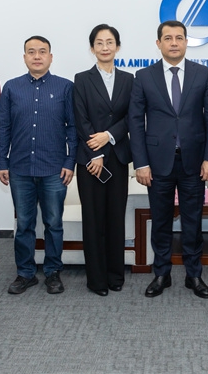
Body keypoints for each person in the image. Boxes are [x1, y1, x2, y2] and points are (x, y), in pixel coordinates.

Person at [128, 20, 208, 299]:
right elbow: (135, 122)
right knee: (160, 221)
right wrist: (141, 163)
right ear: (158, 43)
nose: (174, 43)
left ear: (186, 42)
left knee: (193, 221)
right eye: (168, 38)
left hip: (194, 162)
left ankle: (194, 275)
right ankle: (162, 274)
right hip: (157, 163)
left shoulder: (203, 74)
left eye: (179, 38)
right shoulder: (143, 76)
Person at [0, 36, 76, 296]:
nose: (37, 56)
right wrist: (2, 161)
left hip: (54, 169)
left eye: (42, 51)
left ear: (51, 57)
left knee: (53, 224)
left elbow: (73, 128)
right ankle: (25, 273)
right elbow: (2, 127)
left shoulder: (65, 87)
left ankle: (52, 272)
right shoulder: (11, 87)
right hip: (19, 168)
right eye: (31, 52)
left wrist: (70, 161)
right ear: (24, 57)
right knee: (24, 225)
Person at [73, 24, 134, 296]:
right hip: (90, 162)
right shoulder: (81, 79)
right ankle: (96, 279)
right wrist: (95, 153)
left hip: (118, 158)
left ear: (117, 47)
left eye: (110, 42)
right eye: (99, 43)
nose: (105, 47)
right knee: (93, 220)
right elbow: (80, 119)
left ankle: (115, 275)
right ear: (92, 48)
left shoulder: (129, 79)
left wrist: (108, 136)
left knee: (115, 219)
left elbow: (132, 117)